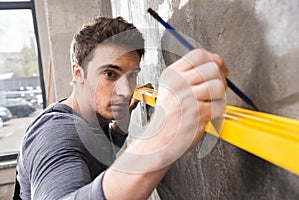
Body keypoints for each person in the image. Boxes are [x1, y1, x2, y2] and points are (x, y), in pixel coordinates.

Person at [15, 16, 228, 199]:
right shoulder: (56, 134)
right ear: (78, 74)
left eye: (132, 75)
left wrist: (119, 128)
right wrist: (161, 136)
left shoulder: (90, 119)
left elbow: (99, 152)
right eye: (110, 74)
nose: (126, 91)